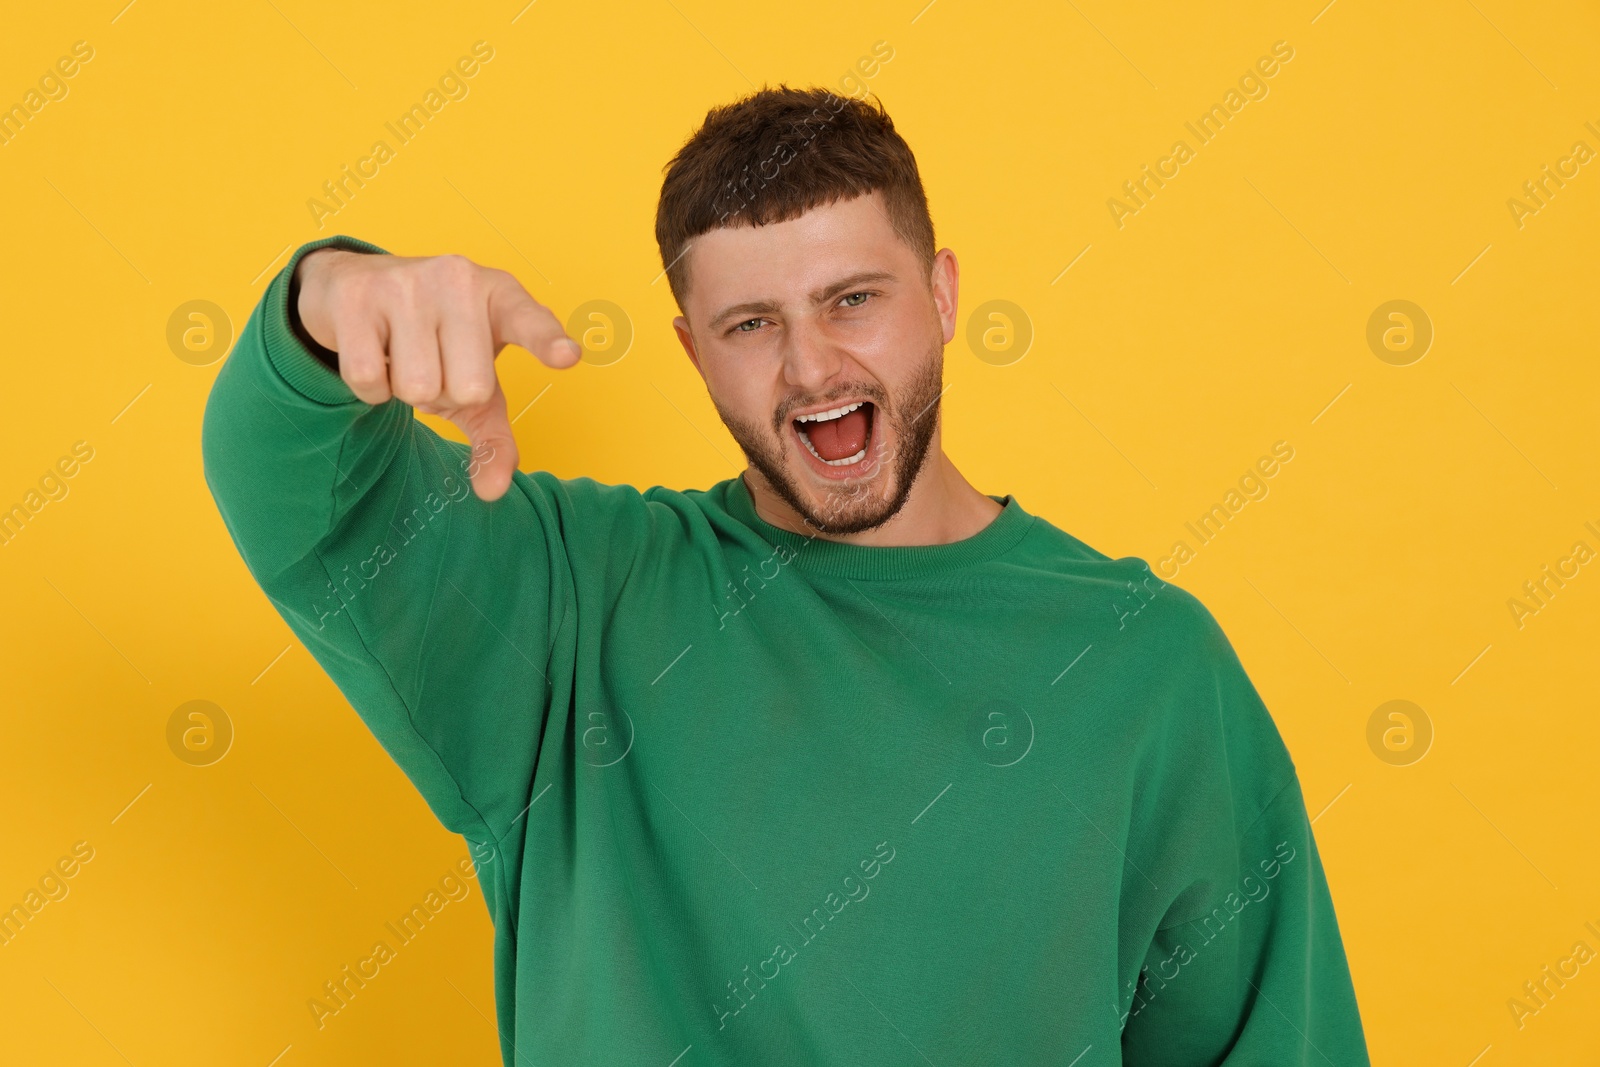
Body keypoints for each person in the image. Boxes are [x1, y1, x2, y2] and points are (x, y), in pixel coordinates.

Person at [202, 85, 1370, 1065]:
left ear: (945, 295)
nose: (813, 366)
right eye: (750, 323)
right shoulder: (572, 603)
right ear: (689, 349)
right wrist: (331, 299)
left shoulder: (1145, 661)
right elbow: (303, 496)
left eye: (852, 299)